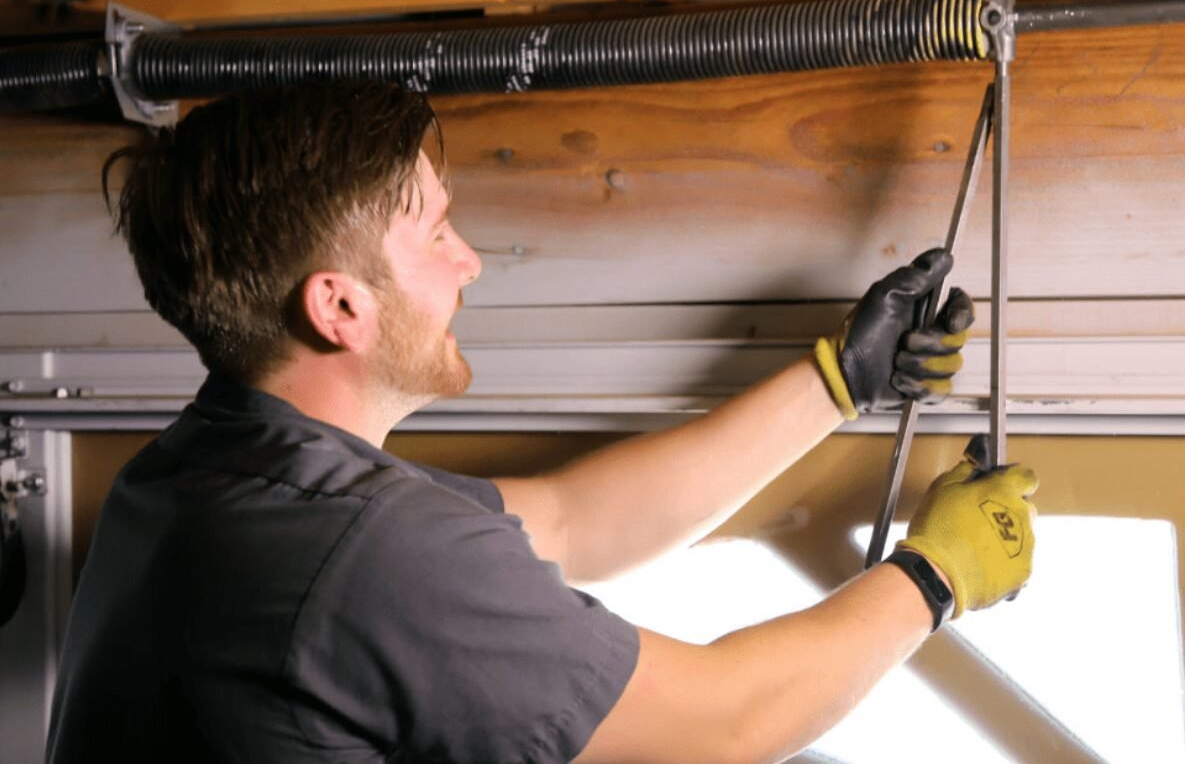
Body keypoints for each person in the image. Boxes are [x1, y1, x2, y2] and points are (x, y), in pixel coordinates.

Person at [46, 82, 1037, 764]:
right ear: (339, 307)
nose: (470, 260)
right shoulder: (363, 551)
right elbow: (729, 720)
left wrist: (839, 381)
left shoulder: (194, 475)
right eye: (436, 233)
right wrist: (936, 575)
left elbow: (571, 521)